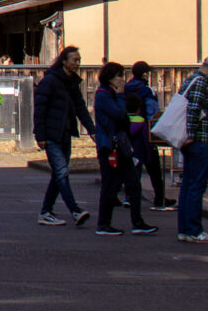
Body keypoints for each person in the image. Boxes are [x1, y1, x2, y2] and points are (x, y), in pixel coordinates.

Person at [91, 61, 157, 235]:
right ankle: (103, 224)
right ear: (109, 78)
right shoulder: (104, 95)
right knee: (110, 185)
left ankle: (138, 221)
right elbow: (121, 115)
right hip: (110, 146)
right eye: (118, 76)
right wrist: (120, 96)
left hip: (122, 145)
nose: (121, 80)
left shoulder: (112, 95)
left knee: (134, 184)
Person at [32, 46, 92, 226]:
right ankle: (75, 210)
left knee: (59, 174)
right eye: (74, 60)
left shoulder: (72, 82)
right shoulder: (50, 81)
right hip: (51, 134)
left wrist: (92, 130)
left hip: (65, 133)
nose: (77, 63)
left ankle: (46, 211)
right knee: (62, 172)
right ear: (64, 61)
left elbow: (80, 107)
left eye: (79, 60)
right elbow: (39, 109)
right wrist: (40, 135)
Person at [175, 55, 208, 242]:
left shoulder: (189, 80)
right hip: (199, 140)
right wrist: (191, 133)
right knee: (196, 186)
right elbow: (194, 109)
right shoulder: (200, 83)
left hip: (190, 143)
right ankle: (195, 230)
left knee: (188, 186)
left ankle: (185, 229)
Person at [126, 61, 169, 212]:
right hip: (144, 129)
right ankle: (159, 197)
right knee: (154, 167)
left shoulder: (125, 88)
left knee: (133, 164)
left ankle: (129, 196)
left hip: (128, 128)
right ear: (145, 74)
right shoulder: (147, 90)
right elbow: (152, 111)